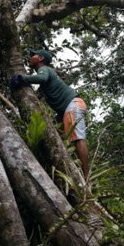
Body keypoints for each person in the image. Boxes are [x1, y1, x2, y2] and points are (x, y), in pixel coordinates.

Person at [10, 50, 89, 181]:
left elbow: (41, 78)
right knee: (58, 140)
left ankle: (86, 177)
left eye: (33, 55)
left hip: (72, 104)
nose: (29, 57)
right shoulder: (45, 75)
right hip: (65, 110)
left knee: (78, 138)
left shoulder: (45, 69)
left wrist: (22, 78)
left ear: (40, 58)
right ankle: (70, 171)